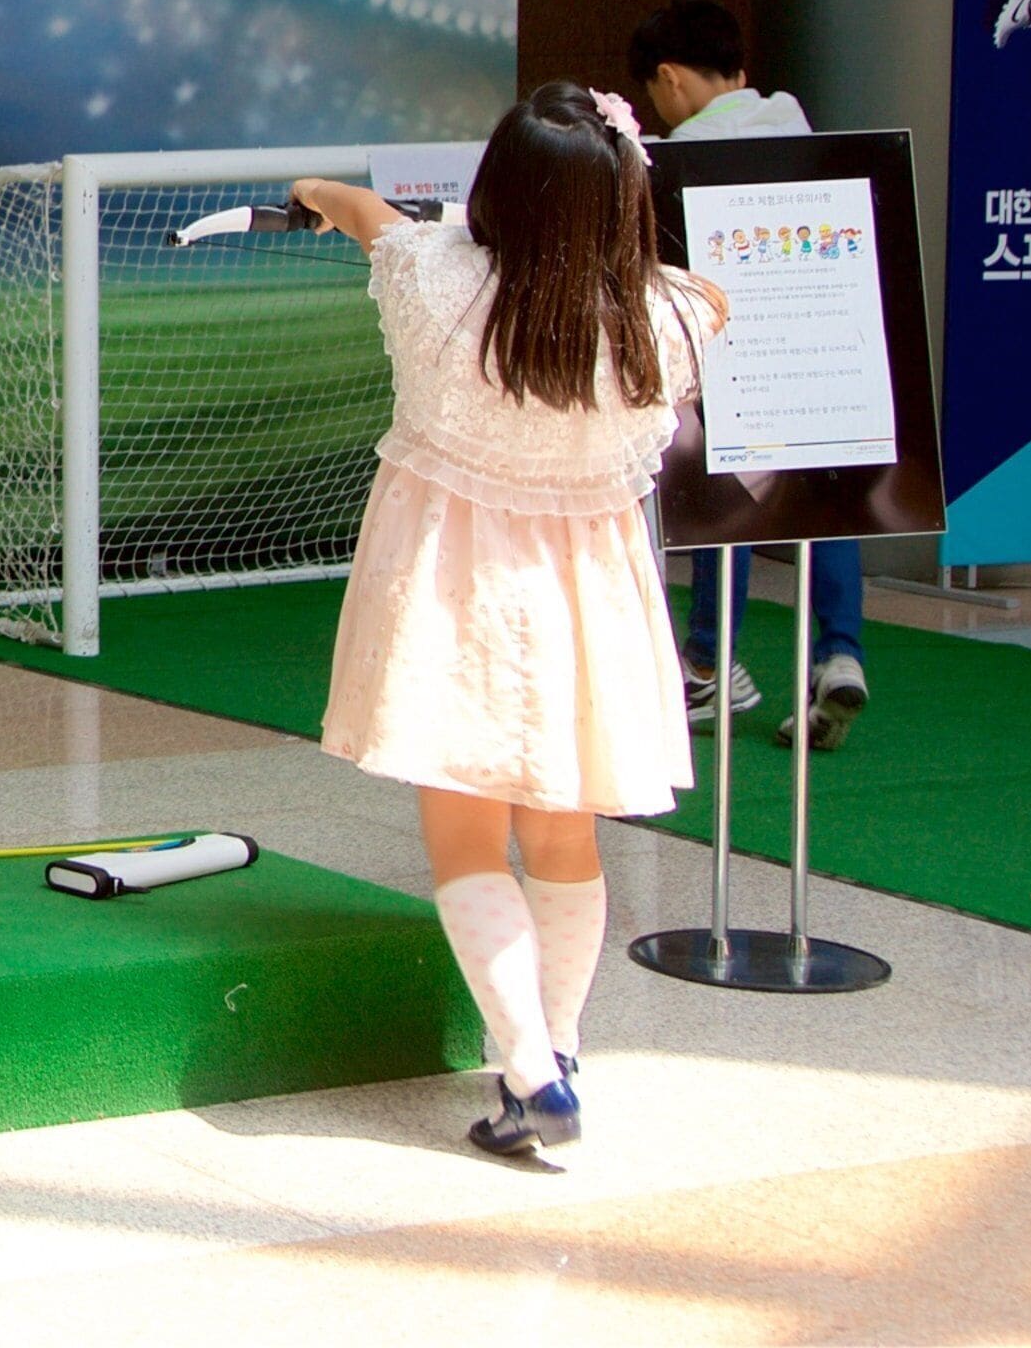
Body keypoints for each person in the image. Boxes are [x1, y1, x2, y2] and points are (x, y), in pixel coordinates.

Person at [290, 82, 722, 1161]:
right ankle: (557, 1051)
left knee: (468, 835)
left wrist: (312, 192)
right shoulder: (659, 322)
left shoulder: (437, 280)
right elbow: (710, 296)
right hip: (593, 604)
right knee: (565, 834)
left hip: (456, 592)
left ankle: (529, 1068)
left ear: (501, 190)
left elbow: (365, 214)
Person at [626, 0, 871, 747]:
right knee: (823, 506)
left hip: (730, 360)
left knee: (726, 506)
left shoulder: (680, 157)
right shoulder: (799, 130)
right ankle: (839, 653)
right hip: (824, 347)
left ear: (670, 79)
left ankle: (708, 663)